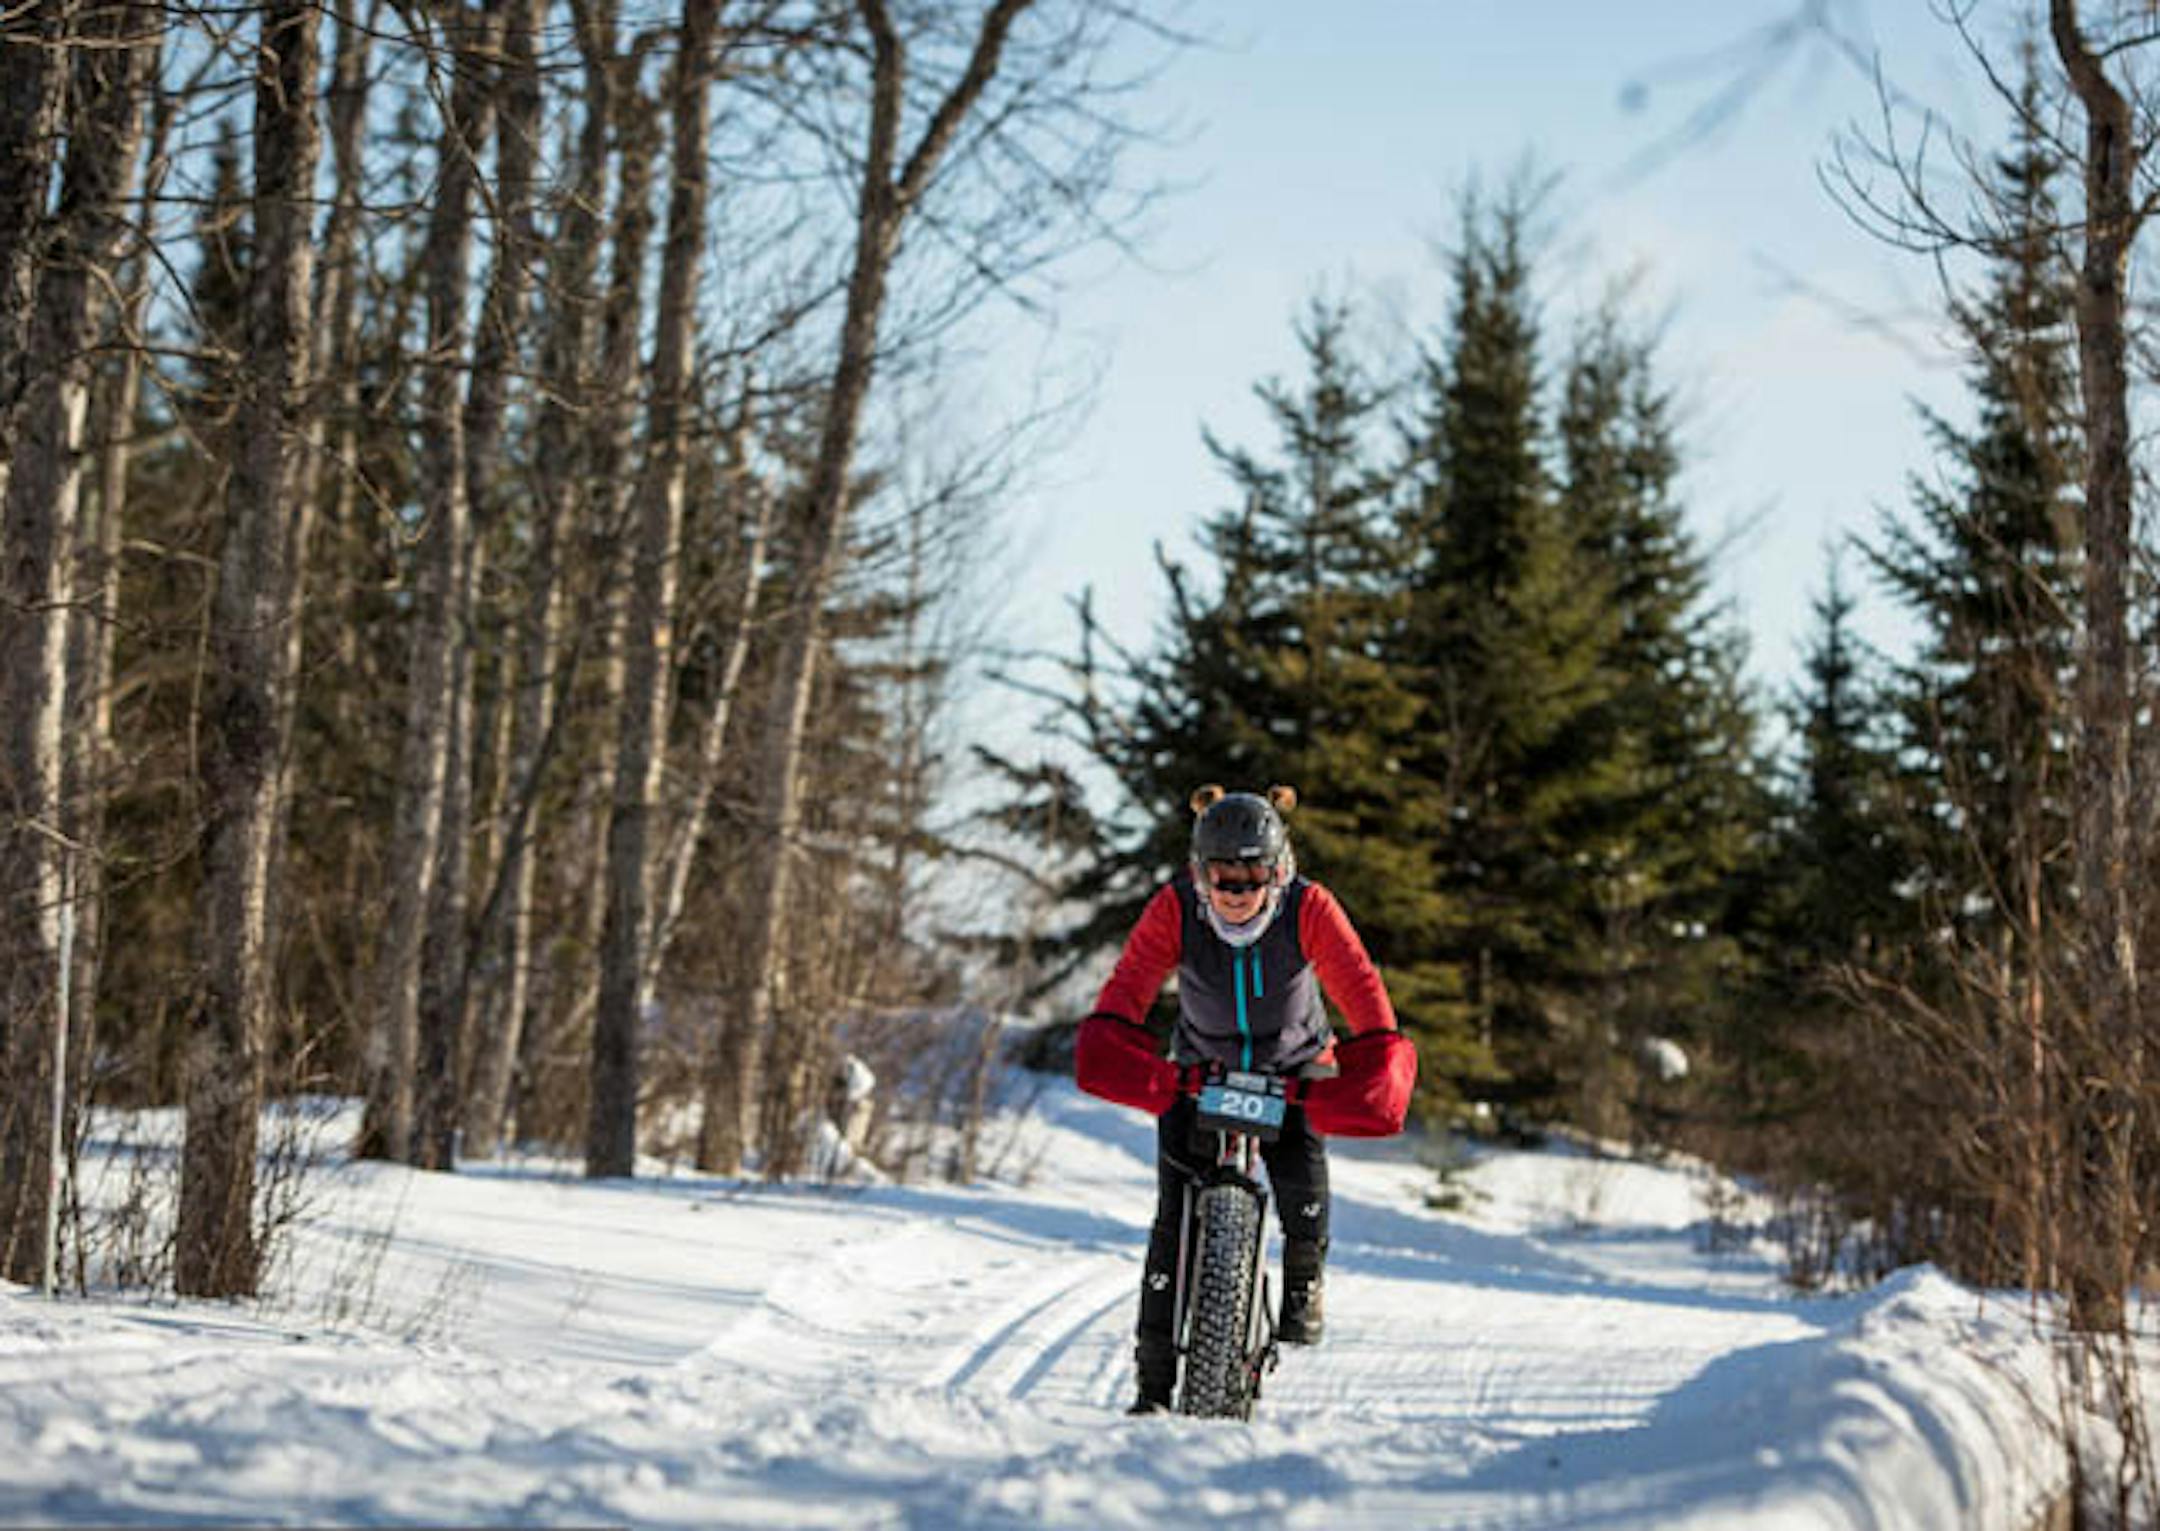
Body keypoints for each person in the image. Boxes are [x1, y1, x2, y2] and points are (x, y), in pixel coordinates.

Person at [1073, 784, 1416, 1415]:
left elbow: (1360, 985)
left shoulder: (1310, 908)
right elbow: (1131, 984)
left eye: (1251, 876)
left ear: (1277, 870)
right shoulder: (1175, 908)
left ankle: (1305, 1275)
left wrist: (1377, 1055)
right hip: (1202, 1066)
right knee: (1173, 1216)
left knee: (1298, 1166)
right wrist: (1124, 1049)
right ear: (1199, 873)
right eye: (1222, 878)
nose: (1236, 894)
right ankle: (1152, 1383)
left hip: (1295, 1061)